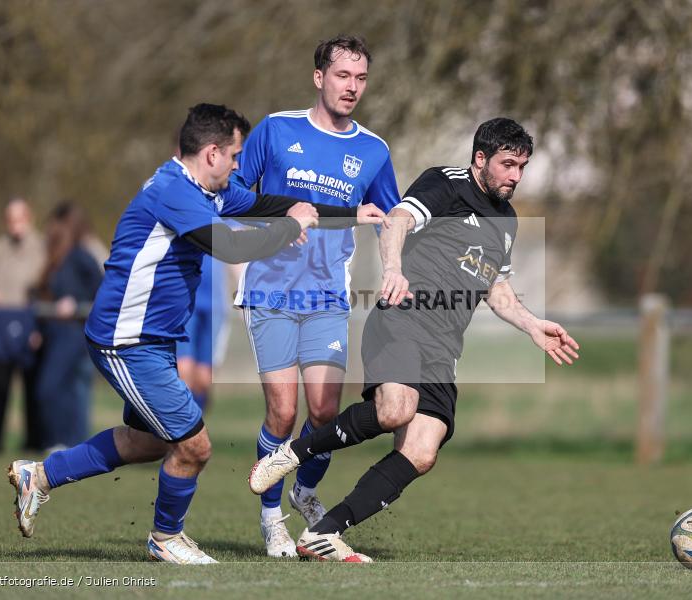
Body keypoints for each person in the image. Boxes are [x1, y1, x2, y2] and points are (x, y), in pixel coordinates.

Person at [6, 103, 385, 564]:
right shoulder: (174, 192)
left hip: (154, 340)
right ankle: (166, 538)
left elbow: (264, 204)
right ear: (212, 154)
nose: (240, 166)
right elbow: (230, 245)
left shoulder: (208, 190)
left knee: (148, 441)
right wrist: (290, 229)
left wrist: (349, 213)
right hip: (126, 340)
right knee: (195, 445)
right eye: (235, 156)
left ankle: (41, 476)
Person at [248, 118, 580, 561]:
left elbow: (494, 286)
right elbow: (397, 221)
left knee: (422, 451)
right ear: (480, 158)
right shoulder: (446, 183)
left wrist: (532, 324)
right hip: (403, 319)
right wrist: (393, 270)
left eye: (522, 167)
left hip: (444, 347)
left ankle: (323, 533)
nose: (516, 176)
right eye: (507, 165)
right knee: (395, 409)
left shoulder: (507, 220)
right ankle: (291, 453)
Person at [230, 34, 400, 557]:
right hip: (270, 291)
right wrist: (282, 215)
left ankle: (303, 489)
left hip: (328, 297)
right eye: (343, 75)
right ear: (319, 77)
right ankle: (271, 519)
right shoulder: (276, 130)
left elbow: (391, 218)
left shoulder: (373, 150)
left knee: (325, 412)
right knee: (283, 414)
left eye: (361, 78)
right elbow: (232, 194)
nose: (352, 87)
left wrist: (398, 267)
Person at [0, 198, 46, 452]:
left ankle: (34, 442)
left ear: (29, 218)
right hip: (0, 327)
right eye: (10, 219)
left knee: (33, 388)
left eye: (19, 218)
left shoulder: (41, 248)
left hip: (30, 326)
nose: (15, 224)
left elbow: (46, 288)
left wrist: (39, 328)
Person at [34, 203, 104, 450]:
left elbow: (102, 288)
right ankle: (62, 441)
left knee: (53, 387)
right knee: (61, 388)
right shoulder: (54, 258)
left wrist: (77, 303)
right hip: (54, 332)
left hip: (73, 332)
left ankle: (65, 442)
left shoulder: (80, 255)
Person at [176, 254, 227, 412]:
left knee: (204, 378)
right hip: (186, 301)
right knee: (184, 367)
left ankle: (193, 421)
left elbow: (237, 258)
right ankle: (180, 421)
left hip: (215, 305)